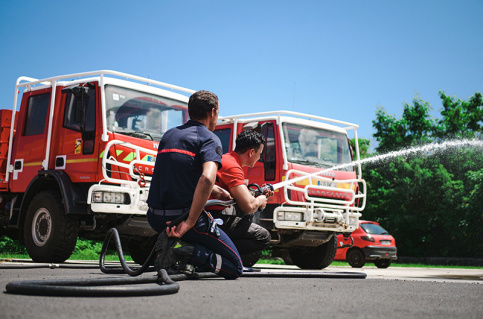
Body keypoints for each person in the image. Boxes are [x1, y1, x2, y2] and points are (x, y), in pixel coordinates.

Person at [146, 90, 243, 279]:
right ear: (212, 112)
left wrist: (216, 190)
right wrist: (189, 223)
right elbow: (207, 178)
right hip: (182, 219)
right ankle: (184, 251)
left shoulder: (169, 135)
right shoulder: (209, 138)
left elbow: (178, 176)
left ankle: (177, 255)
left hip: (156, 218)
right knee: (235, 266)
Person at [208, 130, 273, 266]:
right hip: (215, 216)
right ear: (251, 153)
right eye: (259, 154)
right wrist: (260, 200)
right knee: (263, 237)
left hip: (210, 214)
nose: (259, 158)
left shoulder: (227, 159)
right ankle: (216, 254)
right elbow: (248, 206)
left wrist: (255, 195)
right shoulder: (233, 166)